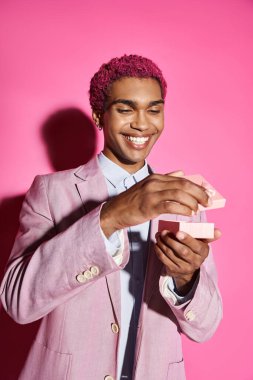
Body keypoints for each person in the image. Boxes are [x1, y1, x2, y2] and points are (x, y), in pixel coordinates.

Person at [0, 54, 223, 380]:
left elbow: (206, 328)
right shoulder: (51, 192)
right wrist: (111, 216)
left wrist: (187, 279)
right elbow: (18, 301)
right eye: (125, 109)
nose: (142, 123)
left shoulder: (181, 197)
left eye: (154, 109)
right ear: (98, 116)